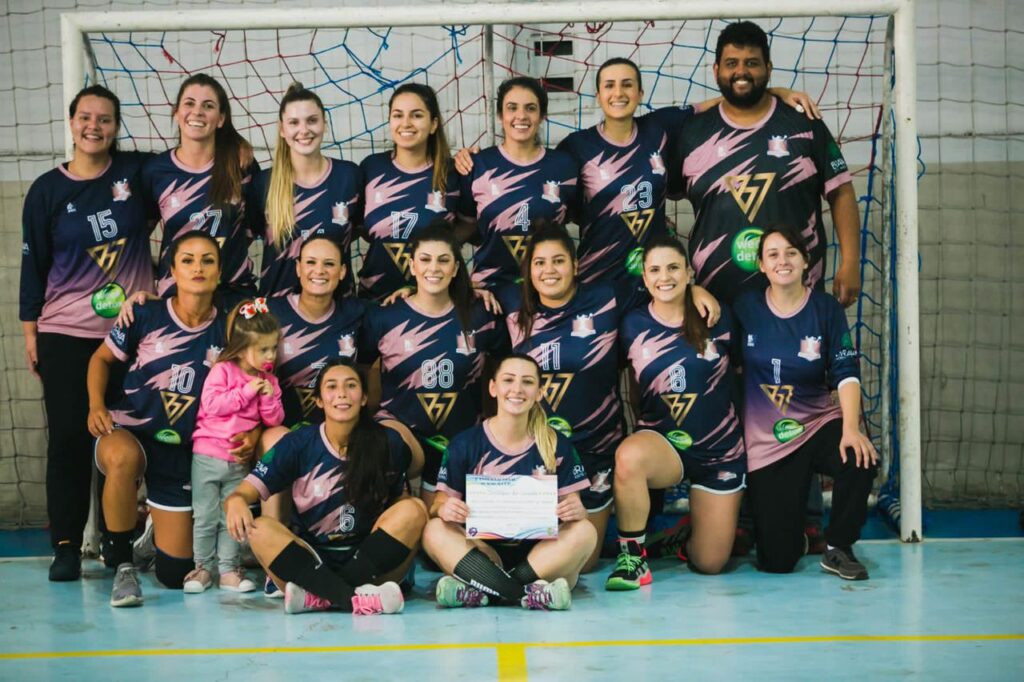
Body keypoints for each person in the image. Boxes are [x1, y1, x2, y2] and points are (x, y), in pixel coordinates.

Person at [20, 84, 155, 582]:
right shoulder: (46, 190)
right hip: (66, 334)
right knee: (71, 437)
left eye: (104, 119)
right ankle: (67, 545)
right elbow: (32, 266)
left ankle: (118, 544)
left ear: (116, 128)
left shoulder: (136, 175)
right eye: (85, 117)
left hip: (131, 335)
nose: (93, 126)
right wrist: (31, 333)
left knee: (119, 436)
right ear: (72, 122)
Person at [87, 232, 258, 607]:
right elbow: (100, 359)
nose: (198, 268)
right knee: (122, 459)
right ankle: (122, 565)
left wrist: (255, 429)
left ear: (220, 272)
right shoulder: (144, 314)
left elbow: (258, 376)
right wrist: (96, 405)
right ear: (173, 270)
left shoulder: (231, 326)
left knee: (174, 575)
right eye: (188, 260)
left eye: (208, 261)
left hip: (182, 449)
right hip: (129, 431)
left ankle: (151, 534)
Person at [667, 21, 861, 307]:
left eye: (752, 63)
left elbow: (841, 191)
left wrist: (851, 262)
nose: (741, 72)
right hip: (716, 301)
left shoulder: (804, 123)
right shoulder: (692, 134)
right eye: (731, 63)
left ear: (768, 69)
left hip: (797, 299)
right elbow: (658, 193)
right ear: (716, 70)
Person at [224, 358, 428, 615]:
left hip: (370, 559)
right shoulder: (297, 443)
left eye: (351, 385)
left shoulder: (388, 442)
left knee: (415, 509)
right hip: (311, 561)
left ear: (364, 398)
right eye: (331, 386)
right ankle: (353, 597)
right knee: (260, 527)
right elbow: (244, 492)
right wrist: (235, 502)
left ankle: (322, 596)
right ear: (319, 400)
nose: (341, 393)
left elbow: (401, 502)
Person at [733, 226, 877, 579]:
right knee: (776, 562)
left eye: (791, 252)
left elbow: (846, 371)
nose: (783, 260)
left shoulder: (825, 308)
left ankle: (838, 547)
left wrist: (850, 428)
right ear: (762, 266)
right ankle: (790, 534)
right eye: (773, 254)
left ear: (805, 261)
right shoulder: (745, 308)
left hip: (816, 423)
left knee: (858, 457)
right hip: (769, 442)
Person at [607, 233, 745, 590]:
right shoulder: (632, 323)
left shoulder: (718, 316)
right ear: (645, 277)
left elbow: (745, 374)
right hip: (665, 444)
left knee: (710, 564)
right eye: (654, 270)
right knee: (629, 458)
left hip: (720, 451)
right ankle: (633, 558)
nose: (663, 277)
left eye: (673, 268)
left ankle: (679, 537)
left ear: (689, 273)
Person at [422, 353, 596, 610]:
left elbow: (575, 505)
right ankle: (528, 594)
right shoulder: (465, 443)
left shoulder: (556, 443)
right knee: (433, 530)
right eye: (508, 380)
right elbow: (437, 505)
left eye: (527, 382)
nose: (517, 389)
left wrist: (576, 510)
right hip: (481, 550)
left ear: (539, 392)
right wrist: (445, 508)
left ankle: (484, 589)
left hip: (540, 553)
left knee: (585, 531)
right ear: (493, 388)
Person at [359, 222, 508, 507]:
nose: (434, 268)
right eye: (425, 260)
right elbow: (365, 372)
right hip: (404, 440)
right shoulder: (384, 318)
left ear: (455, 268)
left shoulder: (482, 316)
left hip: (459, 441)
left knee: (438, 526)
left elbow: (499, 373)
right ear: (412, 266)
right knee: (387, 459)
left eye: (443, 260)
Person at [184, 297, 285, 594]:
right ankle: (202, 568)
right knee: (204, 515)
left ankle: (228, 570)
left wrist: (267, 395)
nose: (270, 355)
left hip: (239, 462)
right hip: (207, 456)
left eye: (273, 348)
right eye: (262, 349)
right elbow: (212, 405)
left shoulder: (269, 380)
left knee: (234, 516)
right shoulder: (224, 370)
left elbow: (275, 418)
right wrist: (245, 391)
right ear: (242, 348)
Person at [143, 73, 259, 303]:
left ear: (221, 119)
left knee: (264, 336)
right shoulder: (156, 170)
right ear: (176, 113)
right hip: (176, 296)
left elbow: (254, 226)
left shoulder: (240, 165)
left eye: (208, 106)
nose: (197, 112)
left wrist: (225, 253)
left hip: (234, 294)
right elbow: (139, 233)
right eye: (189, 103)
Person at [454, 77, 579, 290]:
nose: (521, 116)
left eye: (530, 108)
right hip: (490, 290)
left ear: (542, 116)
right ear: (500, 115)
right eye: (512, 108)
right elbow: (469, 227)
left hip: (547, 288)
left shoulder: (564, 165)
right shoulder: (477, 165)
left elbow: (574, 217)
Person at [250, 82, 362, 298]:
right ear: (282, 130)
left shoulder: (349, 176)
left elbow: (360, 229)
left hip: (338, 313)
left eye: (312, 120)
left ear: (324, 124)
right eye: (294, 122)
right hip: (278, 314)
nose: (304, 130)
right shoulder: (263, 183)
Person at [358, 83, 460, 301]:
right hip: (374, 301)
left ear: (433, 124)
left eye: (416, 115)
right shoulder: (371, 168)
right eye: (398, 115)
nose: (405, 123)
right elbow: (361, 227)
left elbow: (470, 227)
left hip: (433, 300)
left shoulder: (452, 173)